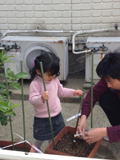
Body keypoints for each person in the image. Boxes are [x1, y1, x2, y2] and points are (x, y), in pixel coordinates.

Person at [29, 51, 83, 151]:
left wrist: (73, 92)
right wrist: (40, 98)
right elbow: (32, 100)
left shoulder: (54, 80)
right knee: (39, 139)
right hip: (42, 119)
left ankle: (52, 152)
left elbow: (61, 91)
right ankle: (35, 151)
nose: (53, 77)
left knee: (55, 139)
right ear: (38, 72)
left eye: (55, 74)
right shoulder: (35, 84)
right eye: (50, 74)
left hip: (57, 116)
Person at [76, 52, 120, 144]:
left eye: (110, 82)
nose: (108, 85)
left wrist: (104, 132)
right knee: (105, 96)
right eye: (106, 81)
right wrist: (83, 117)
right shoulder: (110, 77)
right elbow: (93, 94)